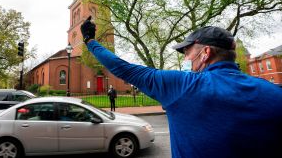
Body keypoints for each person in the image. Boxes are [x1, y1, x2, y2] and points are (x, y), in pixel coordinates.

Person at [80, 16, 282, 158]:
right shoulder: (273, 92)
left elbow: (125, 69)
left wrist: (90, 41)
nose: (185, 59)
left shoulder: (183, 86)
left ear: (205, 53)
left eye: (186, 52)